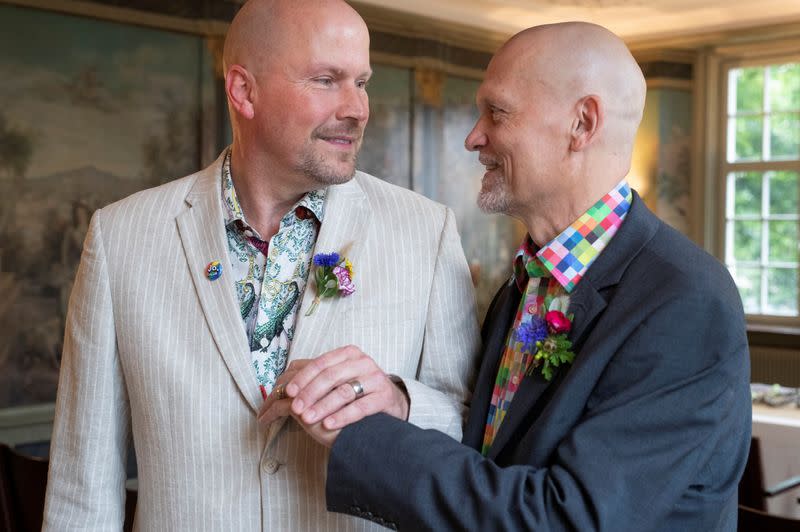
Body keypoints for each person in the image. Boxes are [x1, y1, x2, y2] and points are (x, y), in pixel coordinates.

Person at [279, 21, 752, 531]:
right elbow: (492, 458)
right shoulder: (527, 281)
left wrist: (365, 434)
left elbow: (567, 520)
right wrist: (395, 402)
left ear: (582, 123)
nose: (473, 137)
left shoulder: (685, 301)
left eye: (497, 112)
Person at [42, 0, 480, 529]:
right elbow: (81, 484)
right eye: (326, 80)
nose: (359, 108)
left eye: (361, 82)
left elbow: (471, 428)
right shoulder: (120, 238)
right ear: (243, 91)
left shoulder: (426, 232)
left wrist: (400, 402)